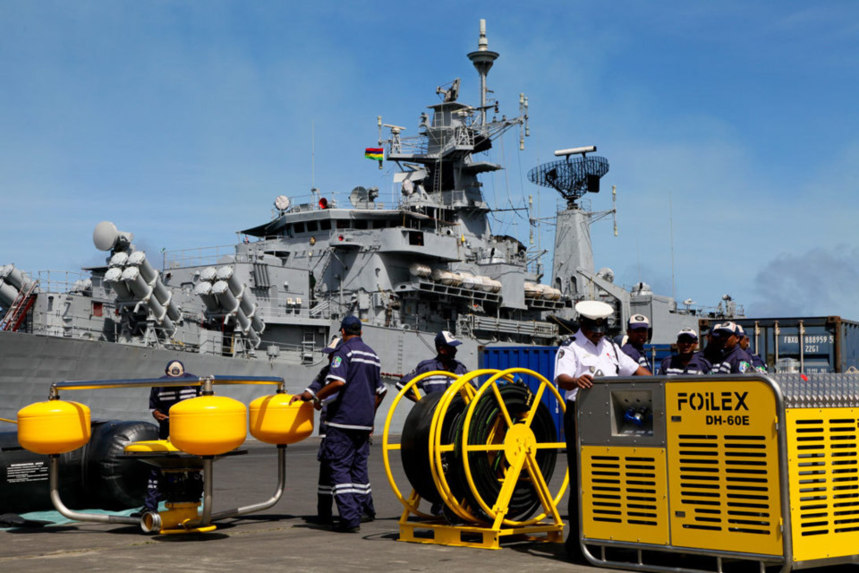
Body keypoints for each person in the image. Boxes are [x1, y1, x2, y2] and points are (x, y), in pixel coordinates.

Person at [554, 301, 651, 563]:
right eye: (593, 330)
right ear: (583, 325)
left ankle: (608, 538)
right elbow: (562, 378)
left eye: (601, 329)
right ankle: (578, 542)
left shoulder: (611, 348)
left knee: (610, 477)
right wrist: (576, 380)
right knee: (582, 480)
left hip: (612, 416)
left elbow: (636, 369)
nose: (598, 334)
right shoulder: (570, 348)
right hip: (581, 415)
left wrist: (656, 383)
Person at [291, 315, 386, 533]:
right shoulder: (373, 355)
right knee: (358, 469)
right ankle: (363, 510)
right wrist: (369, 415)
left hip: (342, 422)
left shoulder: (344, 353)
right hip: (363, 425)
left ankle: (350, 518)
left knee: (338, 468)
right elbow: (381, 390)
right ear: (361, 332)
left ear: (343, 333)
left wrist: (316, 399)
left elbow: (338, 382)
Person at [143, 360, 200, 514]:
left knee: (194, 468)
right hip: (166, 432)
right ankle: (150, 508)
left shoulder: (194, 382)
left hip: (189, 433)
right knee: (156, 468)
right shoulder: (158, 385)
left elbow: (204, 401)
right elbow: (153, 408)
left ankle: (194, 502)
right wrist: (157, 414)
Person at [396, 330, 469, 402]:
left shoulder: (460, 368)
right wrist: (421, 403)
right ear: (442, 350)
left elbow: (473, 391)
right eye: (452, 348)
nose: (456, 350)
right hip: (435, 413)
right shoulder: (426, 368)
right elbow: (401, 385)